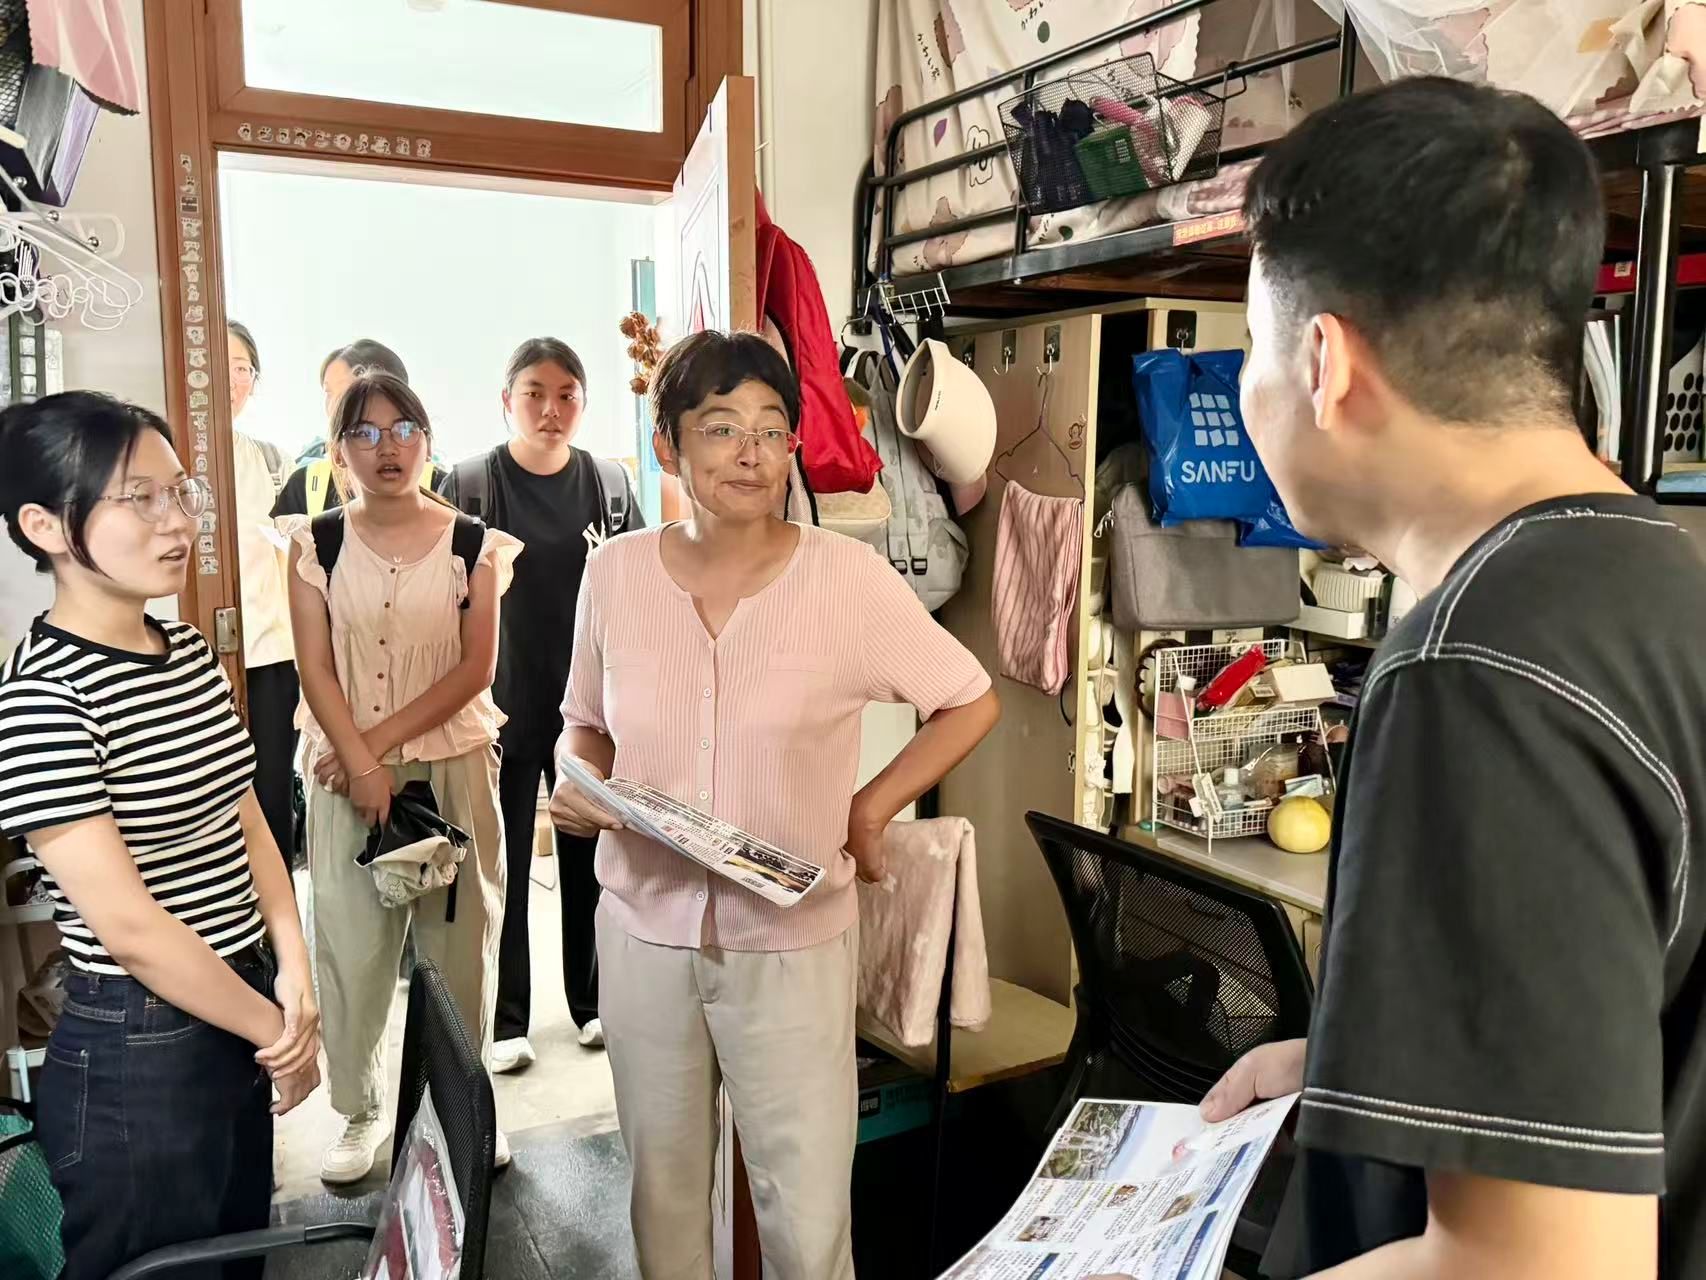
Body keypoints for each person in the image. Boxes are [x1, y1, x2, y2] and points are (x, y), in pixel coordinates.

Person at [1199, 78, 1706, 1279]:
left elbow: (1539, 1266)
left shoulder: (1473, 666)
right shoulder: (1656, 577)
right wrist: (1348, 1070)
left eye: (1251, 348)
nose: (1246, 389)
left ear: (1321, 361)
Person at [550, 329, 1000, 1278]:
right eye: (720, 427)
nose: (750, 452)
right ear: (669, 445)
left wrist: (870, 810)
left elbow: (969, 698)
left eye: (770, 428)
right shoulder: (615, 575)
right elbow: (582, 724)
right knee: (664, 1197)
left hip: (791, 942)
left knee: (805, 1214)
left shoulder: (846, 579)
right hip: (644, 934)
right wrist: (576, 782)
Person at [0, 392, 321, 1278]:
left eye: (180, 492)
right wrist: (277, 1030)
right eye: (138, 499)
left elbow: (243, 813)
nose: (178, 522)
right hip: (141, 1045)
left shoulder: (182, 650)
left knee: (236, 1253)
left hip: (238, 998)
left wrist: (293, 963)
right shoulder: (43, 700)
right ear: (44, 526)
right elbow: (131, 931)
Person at [284, 369, 517, 1185]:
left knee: (459, 944)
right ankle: (359, 1112)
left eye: (403, 429)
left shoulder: (473, 543)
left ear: (428, 439)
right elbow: (314, 667)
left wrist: (376, 750)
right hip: (342, 774)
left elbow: (475, 669)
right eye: (365, 433)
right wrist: (360, 763)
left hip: (450, 762)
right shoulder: (314, 544)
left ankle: (462, 1105)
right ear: (338, 450)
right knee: (351, 947)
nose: (388, 448)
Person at [440, 338, 642, 1070]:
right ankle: (507, 1021)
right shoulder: (470, 486)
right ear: (507, 400)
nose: (551, 409)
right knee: (500, 868)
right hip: (496, 707)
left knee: (590, 858)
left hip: (589, 711)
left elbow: (640, 591)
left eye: (566, 395)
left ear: (584, 404)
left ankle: (591, 1004)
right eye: (534, 393)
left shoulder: (608, 486)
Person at [228, 320, 299, 866]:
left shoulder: (273, 463)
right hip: (201, 655)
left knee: (271, 794)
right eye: (220, 365)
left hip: (271, 659)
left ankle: (276, 910)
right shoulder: (163, 455)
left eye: (242, 368)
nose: (232, 380)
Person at [272, 339, 445, 519]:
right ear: (338, 454)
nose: (334, 406)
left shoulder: (443, 487)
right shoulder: (306, 486)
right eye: (328, 393)